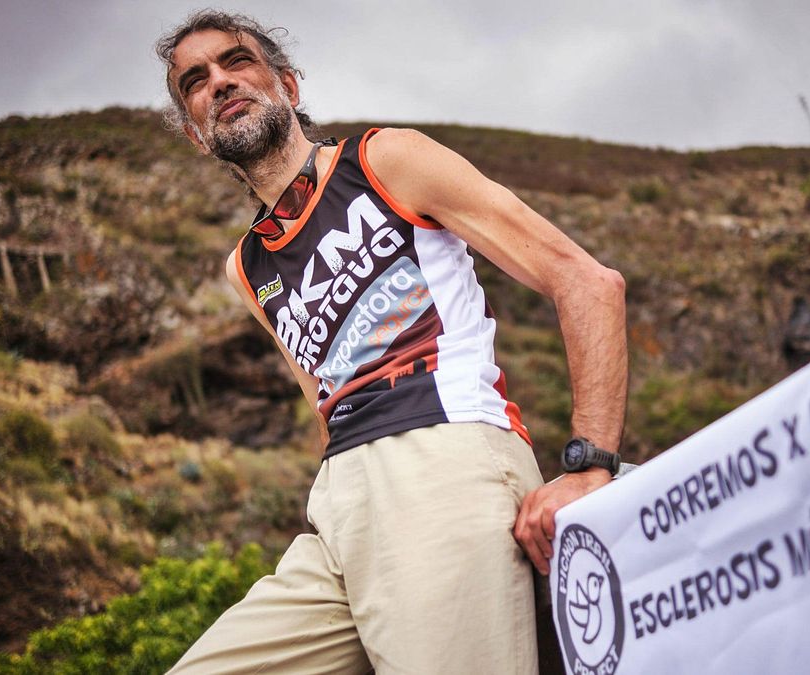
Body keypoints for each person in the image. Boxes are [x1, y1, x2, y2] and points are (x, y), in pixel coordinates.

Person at [155, 10, 627, 674]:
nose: (220, 82)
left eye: (238, 61)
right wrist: (338, 507)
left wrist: (589, 463)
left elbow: (587, 281)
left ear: (288, 85)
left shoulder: (385, 161)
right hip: (339, 514)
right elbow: (322, 408)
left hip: (441, 460)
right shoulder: (247, 267)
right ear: (195, 134)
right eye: (195, 81)